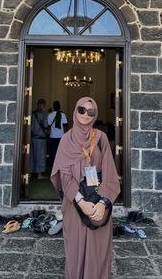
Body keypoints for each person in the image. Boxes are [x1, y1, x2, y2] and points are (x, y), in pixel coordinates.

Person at [51, 97, 120, 279]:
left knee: (97, 250)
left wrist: (103, 203)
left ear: (95, 115)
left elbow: (109, 172)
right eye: (82, 110)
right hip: (75, 203)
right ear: (75, 110)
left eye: (91, 112)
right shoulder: (66, 139)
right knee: (75, 248)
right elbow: (64, 175)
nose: (86, 115)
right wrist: (80, 201)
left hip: (98, 198)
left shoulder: (101, 138)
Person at [29, 98, 48, 179]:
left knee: (32, 155)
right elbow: (46, 125)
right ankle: (39, 174)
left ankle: (30, 173)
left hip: (32, 138)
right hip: (41, 138)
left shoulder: (32, 114)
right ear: (43, 105)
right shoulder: (43, 115)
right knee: (41, 156)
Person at [48, 100, 68, 166]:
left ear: (53, 107)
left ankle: (53, 166)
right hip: (60, 136)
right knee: (60, 152)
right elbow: (65, 125)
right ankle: (60, 165)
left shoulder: (50, 115)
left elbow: (48, 126)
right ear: (59, 107)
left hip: (52, 136)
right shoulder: (62, 115)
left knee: (53, 153)